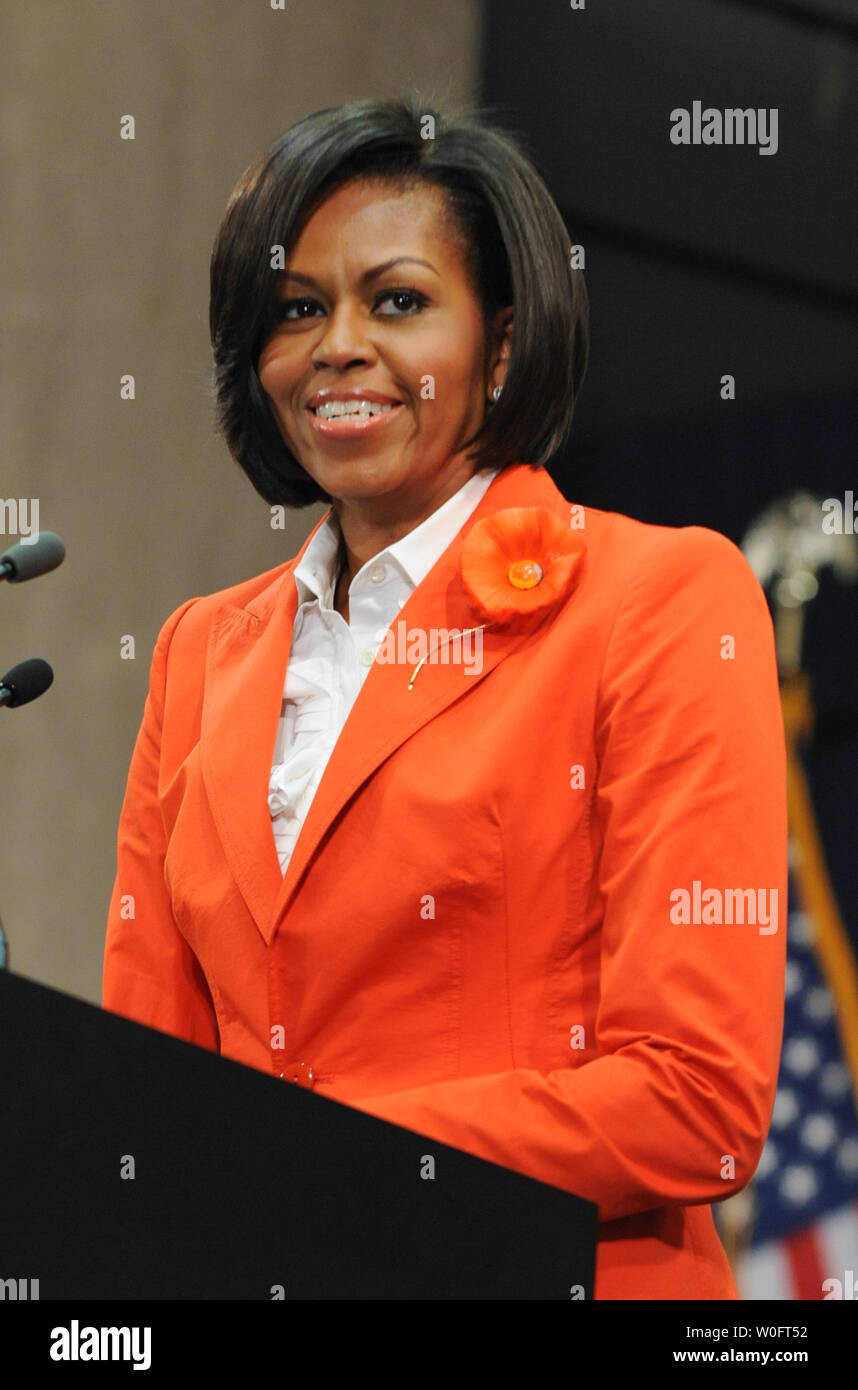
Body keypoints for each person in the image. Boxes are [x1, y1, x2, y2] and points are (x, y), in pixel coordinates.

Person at [102, 96, 787, 1300]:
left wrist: (317, 1163)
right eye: (297, 309)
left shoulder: (658, 598)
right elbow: (152, 1102)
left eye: (399, 301)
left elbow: (698, 1098)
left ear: (505, 347)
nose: (338, 346)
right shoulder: (196, 652)